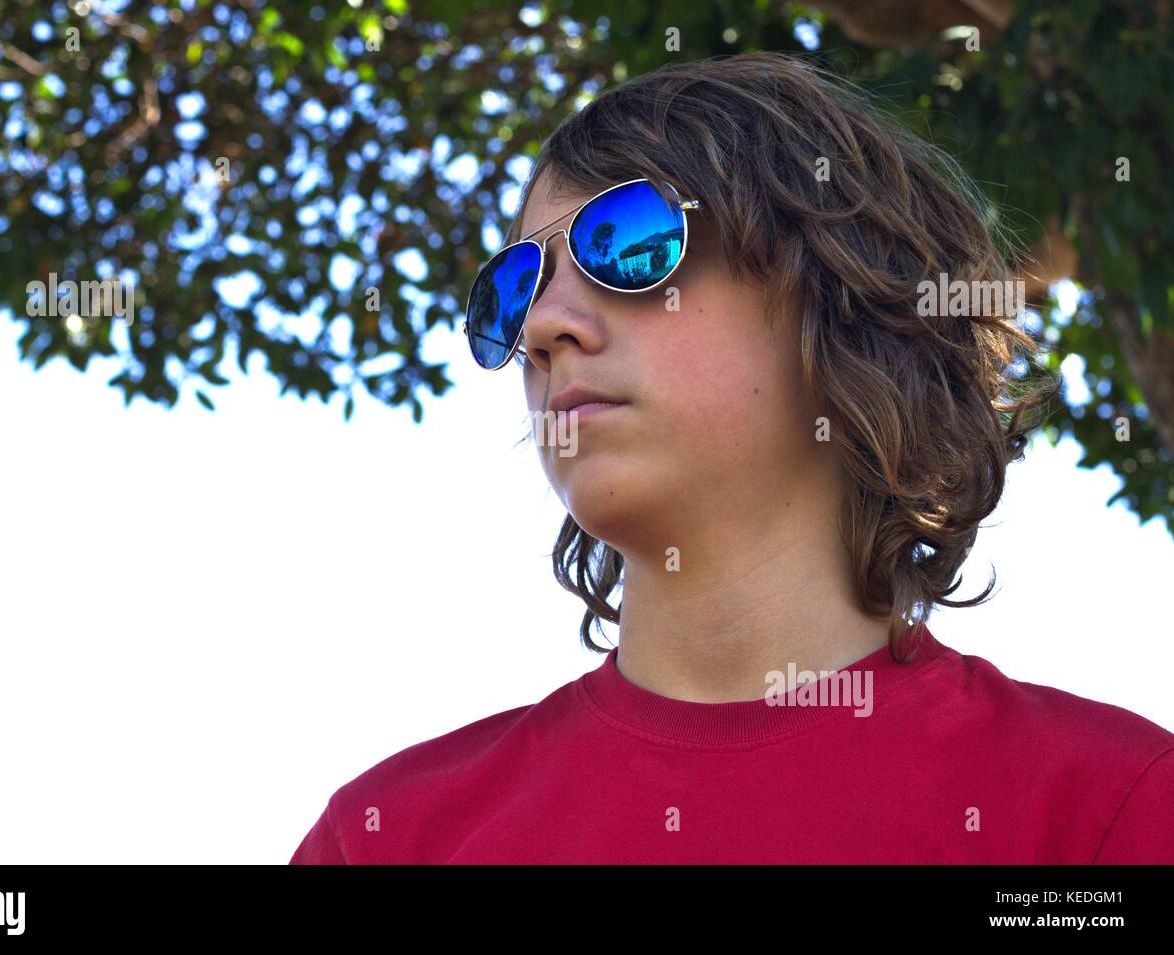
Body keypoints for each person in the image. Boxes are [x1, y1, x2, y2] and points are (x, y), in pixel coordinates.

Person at [290, 52, 1174, 864]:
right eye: (515, 287)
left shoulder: (1102, 816)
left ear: (842, 296)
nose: (545, 325)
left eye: (625, 241)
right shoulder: (385, 839)